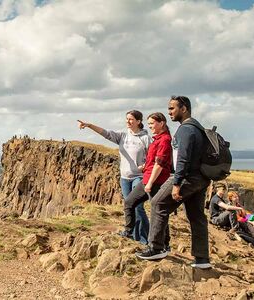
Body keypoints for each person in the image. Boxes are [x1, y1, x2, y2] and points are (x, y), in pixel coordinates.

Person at [136, 95, 212, 270]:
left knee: (157, 203)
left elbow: (183, 159)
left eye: (172, 108)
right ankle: (202, 259)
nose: (169, 112)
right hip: (201, 178)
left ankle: (156, 248)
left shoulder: (185, 129)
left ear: (183, 108)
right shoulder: (197, 127)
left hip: (186, 177)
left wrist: (177, 183)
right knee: (196, 216)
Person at [78, 111, 151, 243]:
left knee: (138, 206)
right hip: (125, 178)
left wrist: (145, 165)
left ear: (139, 121)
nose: (128, 121)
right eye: (127, 119)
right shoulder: (123, 136)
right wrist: (89, 125)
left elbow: (152, 156)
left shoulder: (145, 138)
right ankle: (133, 235)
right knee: (129, 206)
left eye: (131, 119)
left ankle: (145, 239)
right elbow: (105, 133)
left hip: (139, 177)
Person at [119, 112, 172, 246]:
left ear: (161, 123)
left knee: (158, 212)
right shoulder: (157, 139)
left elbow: (159, 164)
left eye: (152, 123)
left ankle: (164, 243)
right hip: (147, 178)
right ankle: (129, 231)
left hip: (155, 182)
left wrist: (150, 183)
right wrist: (144, 166)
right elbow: (153, 161)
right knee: (129, 202)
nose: (150, 126)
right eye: (148, 124)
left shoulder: (165, 140)